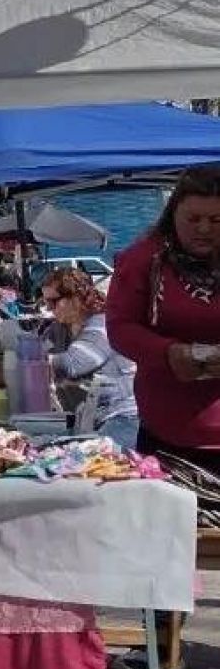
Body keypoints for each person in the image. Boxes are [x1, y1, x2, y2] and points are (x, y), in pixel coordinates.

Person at [109, 167, 220, 522]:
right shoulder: (144, 260)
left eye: (217, 219)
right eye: (194, 218)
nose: (204, 229)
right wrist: (168, 353)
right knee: (171, 542)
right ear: (173, 214)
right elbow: (121, 327)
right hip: (167, 431)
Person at [42, 268, 138, 449]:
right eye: (45, 301)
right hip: (90, 419)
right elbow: (32, 347)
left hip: (123, 419)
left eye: (53, 302)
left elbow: (73, 364)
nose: (48, 308)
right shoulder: (59, 329)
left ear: (76, 299)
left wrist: (29, 363)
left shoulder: (103, 325)